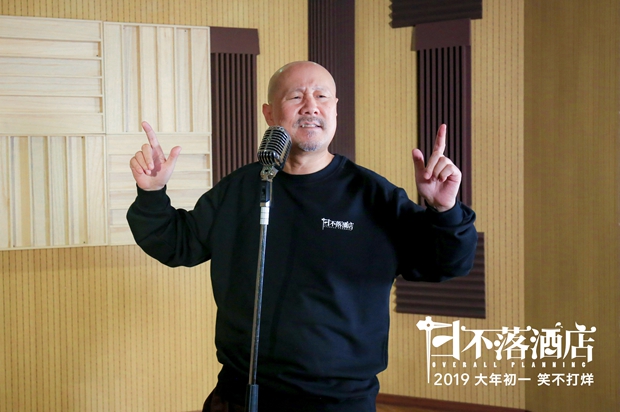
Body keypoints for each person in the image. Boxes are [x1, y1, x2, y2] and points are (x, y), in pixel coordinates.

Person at [127, 61, 477, 412]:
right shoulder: (241, 188)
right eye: (296, 97)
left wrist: (444, 211)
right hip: (240, 392)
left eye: (322, 96)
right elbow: (177, 244)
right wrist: (152, 194)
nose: (311, 106)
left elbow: (446, 263)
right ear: (269, 113)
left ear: (335, 109)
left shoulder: (371, 195)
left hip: (339, 400)